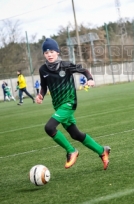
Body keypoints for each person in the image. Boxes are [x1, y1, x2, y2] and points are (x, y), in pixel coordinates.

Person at [35, 38, 110, 170]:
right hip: (58, 105)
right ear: (44, 55)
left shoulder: (66, 65)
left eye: (52, 51)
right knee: (76, 134)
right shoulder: (43, 70)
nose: (49, 54)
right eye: (46, 52)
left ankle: (71, 151)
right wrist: (40, 94)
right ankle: (102, 151)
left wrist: (90, 79)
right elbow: (44, 86)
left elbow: (84, 71)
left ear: (57, 52)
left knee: (49, 128)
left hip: (69, 103)